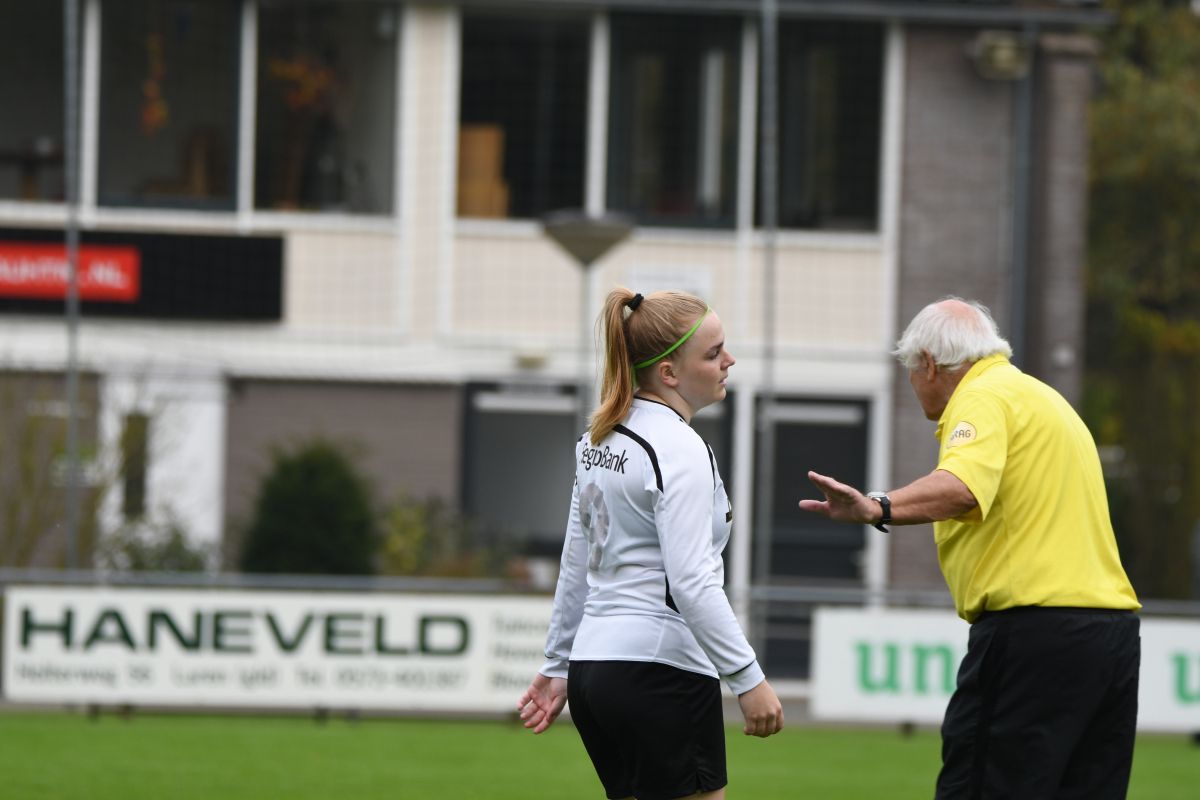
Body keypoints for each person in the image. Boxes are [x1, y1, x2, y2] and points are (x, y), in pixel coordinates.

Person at [798, 297, 1141, 799]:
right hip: (1111, 638)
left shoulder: (981, 397)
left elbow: (961, 486)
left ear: (928, 364)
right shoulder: (1045, 400)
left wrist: (877, 507)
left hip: (1035, 635)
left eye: (910, 372)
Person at [519, 288, 783, 800]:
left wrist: (559, 665)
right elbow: (691, 581)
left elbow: (576, 562)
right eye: (713, 353)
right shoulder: (680, 447)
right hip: (660, 671)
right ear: (668, 373)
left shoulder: (599, 438)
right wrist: (748, 679)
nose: (729, 361)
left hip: (593, 674)